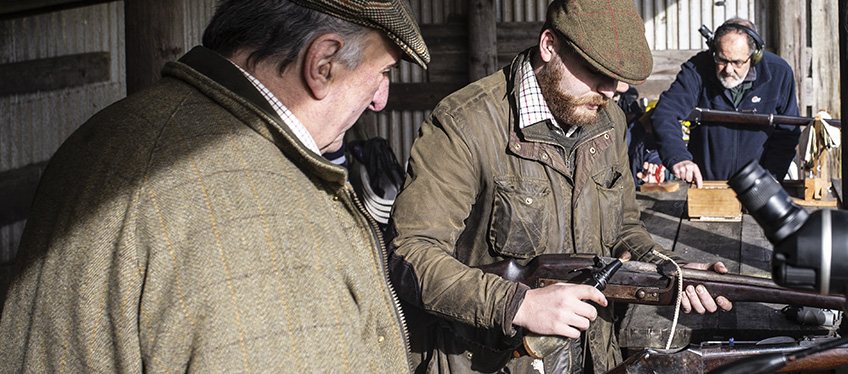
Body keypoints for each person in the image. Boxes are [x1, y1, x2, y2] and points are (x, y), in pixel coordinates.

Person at [0, 0, 430, 372]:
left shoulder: (113, 129)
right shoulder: (266, 219)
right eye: (383, 72)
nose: (380, 99)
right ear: (324, 64)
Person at [390, 0, 732, 373]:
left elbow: (624, 228)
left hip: (594, 356)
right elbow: (411, 254)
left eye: (620, 78)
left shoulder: (610, 120)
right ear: (550, 46)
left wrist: (671, 270)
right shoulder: (464, 125)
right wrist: (518, 304)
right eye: (597, 71)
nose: (612, 90)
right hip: (494, 360)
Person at [647, 18, 802, 187]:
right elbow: (665, 113)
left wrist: (772, 174)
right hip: (705, 185)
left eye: (736, 62)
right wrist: (678, 158)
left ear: (754, 56)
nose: (728, 69)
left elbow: (787, 131)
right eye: (721, 60)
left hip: (759, 186)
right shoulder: (697, 69)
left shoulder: (779, 73)